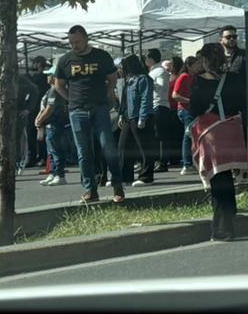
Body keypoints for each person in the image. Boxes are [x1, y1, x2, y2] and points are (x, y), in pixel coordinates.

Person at [55, 25, 123, 204]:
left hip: (99, 108)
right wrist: (71, 99)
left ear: (86, 38)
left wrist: (107, 94)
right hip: (77, 110)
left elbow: (113, 79)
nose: (74, 46)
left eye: (77, 41)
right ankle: (90, 189)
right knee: (83, 152)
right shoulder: (65, 60)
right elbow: (58, 84)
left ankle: (117, 185)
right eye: (71, 43)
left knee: (108, 146)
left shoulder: (102, 56)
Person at [190, 42, 248, 242]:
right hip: (232, 132)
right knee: (227, 178)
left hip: (212, 134)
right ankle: (230, 217)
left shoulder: (198, 82)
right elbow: (242, 103)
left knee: (218, 181)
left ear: (205, 60)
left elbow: (195, 109)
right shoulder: (233, 79)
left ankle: (222, 228)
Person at [217, 25, 248, 164]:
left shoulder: (245, 56)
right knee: (224, 134)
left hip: (241, 103)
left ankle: (245, 161)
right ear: (221, 39)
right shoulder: (216, 57)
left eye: (234, 36)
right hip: (220, 104)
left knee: (243, 132)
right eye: (228, 37)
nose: (232, 39)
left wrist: (246, 98)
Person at [120, 54, 156, 186]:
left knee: (145, 147)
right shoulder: (129, 80)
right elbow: (124, 101)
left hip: (140, 116)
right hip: (128, 117)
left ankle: (147, 176)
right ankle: (125, 176)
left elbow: (145, 99)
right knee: (123, 146)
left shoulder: (144, 79)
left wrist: (143, 117)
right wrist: (121, 115)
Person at [35, 70, 70, 186]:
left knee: (57, 150)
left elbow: (50, 108)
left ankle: (59, 175)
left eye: (49, 74)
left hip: (56, 123)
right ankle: (53, 173)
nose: (47, 76)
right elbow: (43, 107)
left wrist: (40, 119)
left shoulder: (55, 90)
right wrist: (38, 118)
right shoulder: (49, 90)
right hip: (50, 125)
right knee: (51, 151)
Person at [144, 49, 174, 174]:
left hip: (160, 105)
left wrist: (149, 84)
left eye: (146, 57)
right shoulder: (153, 71)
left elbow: (162, 87)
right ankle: (159, 161)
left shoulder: (160, 71)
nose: (145, 60)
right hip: (155, 105)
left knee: (160, 136)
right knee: (157, 135)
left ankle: (162, 162)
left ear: (151, 58)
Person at [173, 56, 199, 175]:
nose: (198, 67)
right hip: (185, 110)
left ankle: (191, 163)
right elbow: (175, 95)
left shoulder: (194, 77)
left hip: (191, 110)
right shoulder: (184, 77)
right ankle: (187, 164)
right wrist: (189, 101)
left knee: (191, 135)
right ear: (189, 66)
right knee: (188, 135)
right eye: (196, 65)